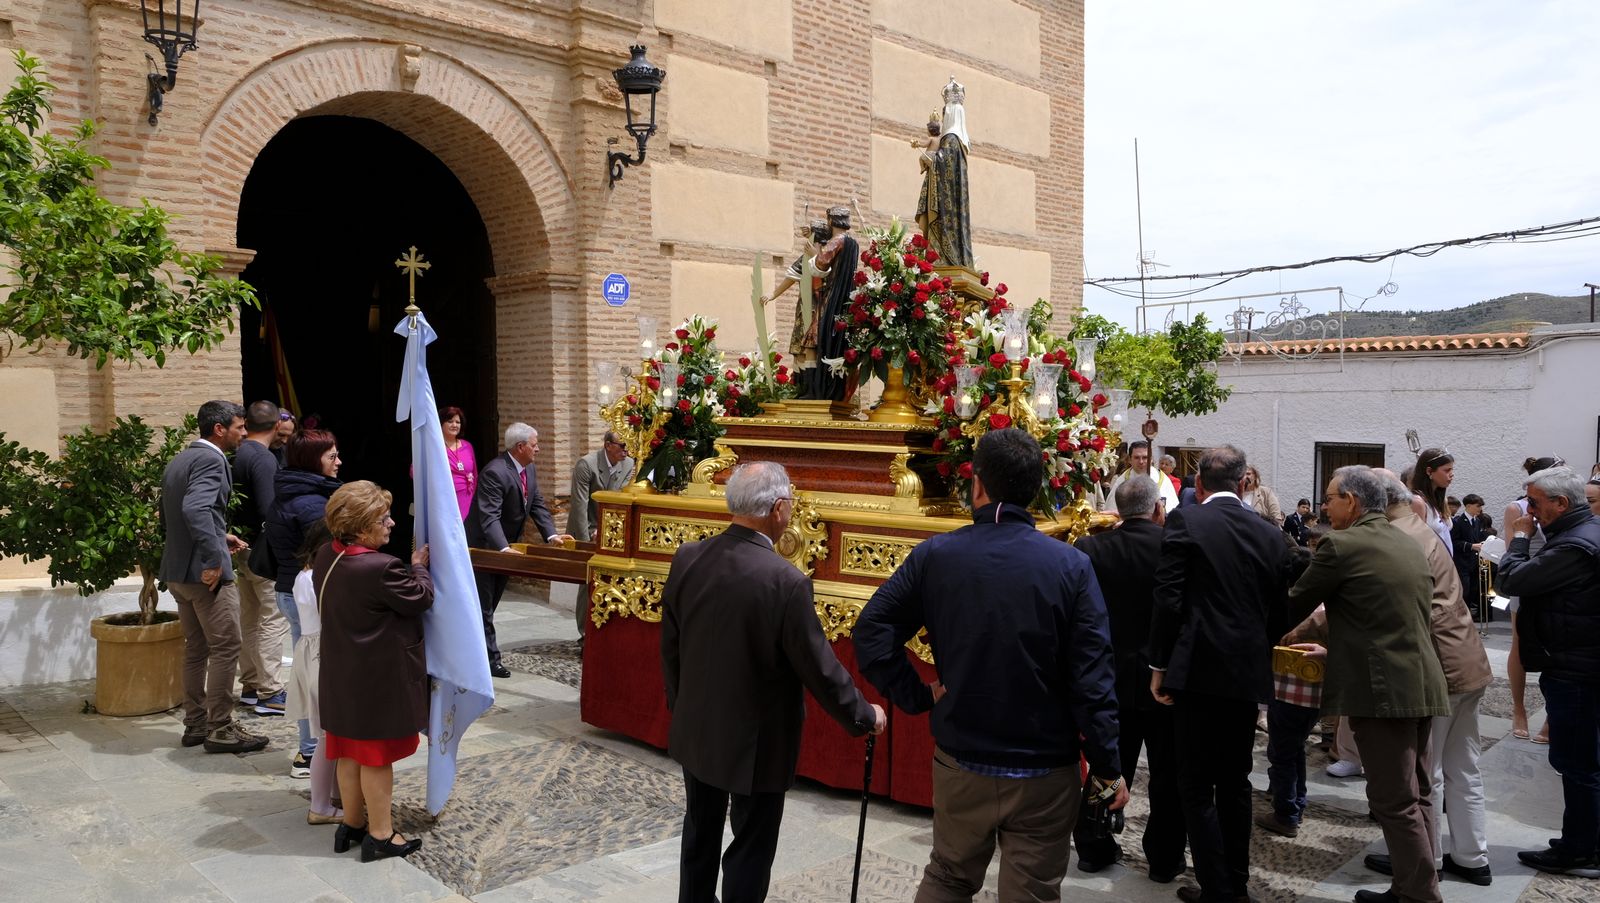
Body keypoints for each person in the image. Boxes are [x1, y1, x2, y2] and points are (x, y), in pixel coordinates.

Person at [855, 428, 1126, 903]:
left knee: (949, 877)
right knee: (1032, 890)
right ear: (1038, 488)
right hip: (1045, 768)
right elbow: (1093, 679)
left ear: (976, 484)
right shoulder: (1070, 566)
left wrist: (917, 696)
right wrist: (1106, 765)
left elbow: (871, 633)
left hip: (964, 759)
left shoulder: (936, 556)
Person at [661, 462, 885, 903]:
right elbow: (819, 667)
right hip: (757, 743)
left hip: (697, 728)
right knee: (751, 847)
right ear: (780, 509)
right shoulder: (785, 581)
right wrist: (863, 715)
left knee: (699, 837)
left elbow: (670, 645)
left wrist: (680, 704)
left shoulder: (688, 557)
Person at [1288, 465, 1449, 903]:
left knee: (1394, 801)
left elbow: (1293, 603)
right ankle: (1409, 887)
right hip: (1420, 683)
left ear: (1353, 502)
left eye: (1330, 498)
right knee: (1417, 796)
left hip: (1384, 692)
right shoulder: (1407, 540)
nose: (1324, 506)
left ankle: (1419, 896)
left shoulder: (1342, 543)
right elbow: (1380, 616)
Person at [1148, 444, 1290, 903]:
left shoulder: (1187, 520)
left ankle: (1217, 888)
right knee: (1236, 780)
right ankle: (1237, 882)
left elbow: (1168, 600)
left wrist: (1158, 665)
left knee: (1194, 782)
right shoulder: (1270, 535)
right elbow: (1278, 610)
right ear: (1245, 482)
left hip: (1195, 669)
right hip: (1244, 671)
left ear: (1200, 485)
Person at [1356, 471, 1494, 887]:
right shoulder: (1416, 525)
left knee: (1426, 771)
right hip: (1466, 660)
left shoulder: (1398, 536)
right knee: (1463, 767)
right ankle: (1472, 857)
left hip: (1440, 667)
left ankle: (1425, 860)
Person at [1071, 476, 1184, 881]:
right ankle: (1165, 857)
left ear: (1117, 510)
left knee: (1108, 763)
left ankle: (1093, 845)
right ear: (1158, 509)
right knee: (1168, 772)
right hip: (1163, 678)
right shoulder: (1172, 548)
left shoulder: (1091, 548)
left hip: (1109, 675)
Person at [315, 481, 433, 863]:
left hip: (342, 674)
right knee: (375, 759)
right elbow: (420, 598)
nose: (392, 523)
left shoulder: (325, 554)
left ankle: (351, 824)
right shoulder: (380, 567)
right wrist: (418, 567)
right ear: (363, 527)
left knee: (348, 753)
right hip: (375, 680)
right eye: (384, 518)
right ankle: (381, 834)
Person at [1500, 466, 1600, 878]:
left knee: (1576, 763)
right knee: (1584, 762)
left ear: (1561, 503)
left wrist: (1520, 538)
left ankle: (1580, 852)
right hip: (1581, 663)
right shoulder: (1583, 534)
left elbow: (1510, 579)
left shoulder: (1575, 545)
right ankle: (1583, 840)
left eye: (1536, 503)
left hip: (1576, 669)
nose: (1530, 511)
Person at [159, 400, 268, 754]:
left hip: (178, 571)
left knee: (198, 649)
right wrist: (211, 558)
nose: (244, 433)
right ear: (219, 429)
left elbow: (173, 515)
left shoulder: (180, 458)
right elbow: (194, 508)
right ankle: (220, 727)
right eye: (239, 426)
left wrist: (220, 536)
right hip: (203, 574)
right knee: (226, 647)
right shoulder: (210, 458)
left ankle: (195, 724)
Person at [263, 429, 343, 775]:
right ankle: (310, 753)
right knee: (314, 677)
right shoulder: (311, 502)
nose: (339, 462)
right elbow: (327, 556)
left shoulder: (293, 490)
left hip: (290, 591)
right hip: (308, 596)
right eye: (332, 457)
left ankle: (314, 749)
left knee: (309, 671)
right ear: (314, 461)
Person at [467, 423, 571, 678]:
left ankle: (475, 652)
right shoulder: (495, 472)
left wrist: (552, 534)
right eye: (535, 444)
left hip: (506, 549)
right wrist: (502, 547)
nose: (539, 448)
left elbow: (536, 502)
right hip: (484, 548)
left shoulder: (529, 468)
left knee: (490, 603)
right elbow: (489, 517)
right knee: (483, 607)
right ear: (520, 446)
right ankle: (490, 660)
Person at [231, 400, 290, 721]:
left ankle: (252, 686)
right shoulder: (263, 459)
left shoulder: (237, 453)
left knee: (250, 617)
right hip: (262, 551)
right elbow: (270, 511)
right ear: (277, 425)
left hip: (239, 547)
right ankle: (270, 691)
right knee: (271, 618)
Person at [284, 522, 341, 825]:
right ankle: (320, 805)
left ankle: (332, 798)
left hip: (312, 652)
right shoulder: (315, 578)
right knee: (327, 737)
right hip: (321, 654)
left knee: (327, 735)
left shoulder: (303, 576)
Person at [1506, 455, 1563, 743]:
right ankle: (1518, 709)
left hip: (1560, 581)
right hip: (1528, 580)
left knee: (1559, 646)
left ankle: (1553, 717)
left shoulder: (1565, 504)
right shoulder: (1517, 507)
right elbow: (1511, 551)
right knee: (1519, 641)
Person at [760, 218, 832, 386]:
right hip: (804, 309)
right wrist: (772, 295)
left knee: (812, 349)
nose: (807, 243)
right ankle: (800, 388)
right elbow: (790, 278)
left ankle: (813, 390)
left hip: (821, 311)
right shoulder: (805, 259)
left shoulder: (830, 259)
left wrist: (817, 257)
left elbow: (831, 279)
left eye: (812, 239)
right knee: (799, 349)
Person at [915, 77, 973, 269]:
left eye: (945, 112)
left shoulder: (950, 138)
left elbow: (941, 161)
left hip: (945, 208)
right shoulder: (962, 142)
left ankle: (944, 257)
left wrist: (928, 157)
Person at [804, 205, 861, 401]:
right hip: (846, 298)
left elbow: (820, 263)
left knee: (824, 336)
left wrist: (813, 253)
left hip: (834, 295)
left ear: (832, 221)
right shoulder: (853, 242)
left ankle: (821, 391)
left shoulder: (837, 241)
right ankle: (836, 391)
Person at [1449, 494, 1495, 617]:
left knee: (1474, 591)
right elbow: (1454, 542)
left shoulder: (1477, 521)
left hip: (1474, 562)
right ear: (1468, 506)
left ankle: (1468, 615)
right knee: (1465, 591)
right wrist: (1471, 546)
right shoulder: (1458, 522)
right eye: (1478, 506)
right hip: (1462, 563)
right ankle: (1463, 616)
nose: (1480, 509)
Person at [1104, 441, 1179, 515]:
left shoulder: (1162, 480)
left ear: (1151, 459)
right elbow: (1112, 511)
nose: (1141, 461)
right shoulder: (1122, 481)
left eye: (1145, 457)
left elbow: (1172, 511)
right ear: (1130, 459)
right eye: (1137, 457)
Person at [1409, 448, 1456, 550]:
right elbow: (1415, 544)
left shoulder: (1440, 500)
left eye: (1452, 469)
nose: (1452, 474)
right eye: (1447, 470)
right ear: (1429, 471)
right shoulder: (1417, 502)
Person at [438, 405, 477, 520]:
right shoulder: (435, 447)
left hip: (467, 498)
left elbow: (475, 473)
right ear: (441, 423)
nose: (455, 425)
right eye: (450, 421)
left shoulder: (467, 446)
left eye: (458, 422)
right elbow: (415, 471)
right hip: (445, 500)